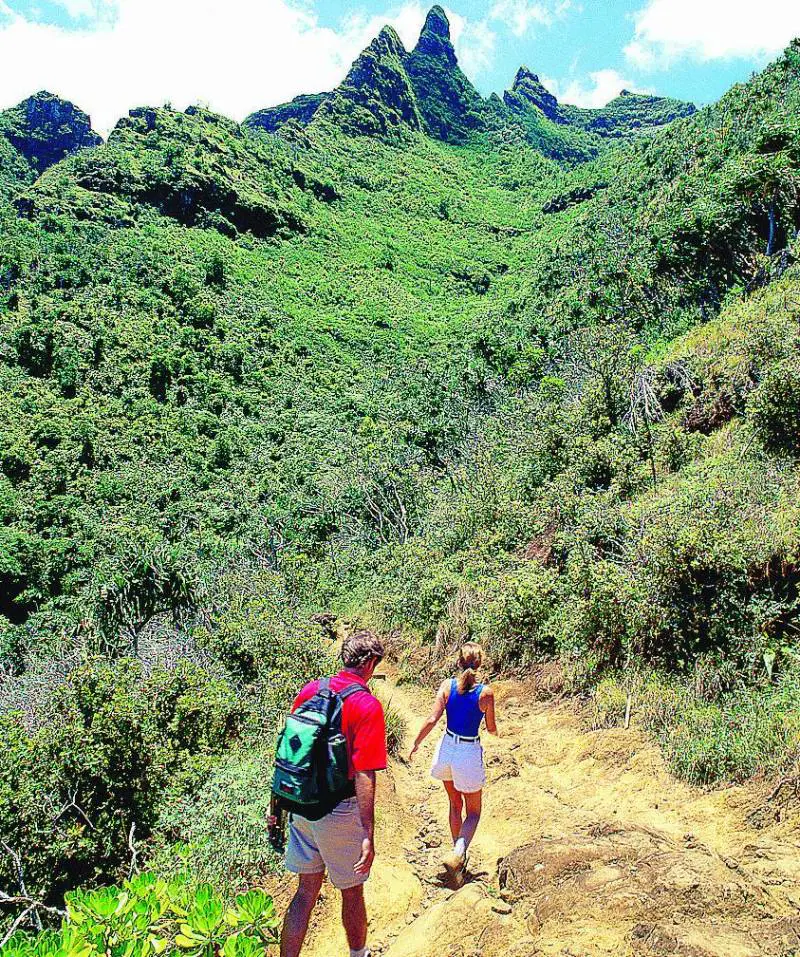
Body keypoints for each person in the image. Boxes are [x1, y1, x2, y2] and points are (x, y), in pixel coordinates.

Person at [280, 630, 387, 957]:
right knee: (352, 892)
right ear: (369, 663)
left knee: (305, 893)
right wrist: (367, 832)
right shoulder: (366, 705)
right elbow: (365, 773)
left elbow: (290, 746)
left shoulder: (311, 690)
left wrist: (280, 804)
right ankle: (358, 954)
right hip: (339, 811)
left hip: (302, 804)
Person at [409, 642, 497, 876]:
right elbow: (490, 728)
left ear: (458, 662)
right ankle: (459, 852)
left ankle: (456, 858)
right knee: (474, 812)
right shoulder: (485, 693)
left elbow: (431, 719)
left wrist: (416, 742)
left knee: (454, 804)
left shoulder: (447, 686)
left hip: (447, 748)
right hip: (468, 751)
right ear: (480, 664)